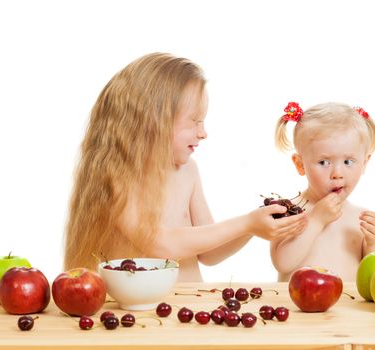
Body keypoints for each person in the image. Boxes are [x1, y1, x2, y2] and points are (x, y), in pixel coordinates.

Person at [64, 53, 307, 281]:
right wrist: (246, 223)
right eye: (194, 122)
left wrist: (255, 226)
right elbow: (160, 243)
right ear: (152, 121)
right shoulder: (116, 176)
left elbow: (210, 254)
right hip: (135, 320)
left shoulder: (188, 171)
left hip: (188, 311)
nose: (203, 133)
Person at [270, 102, 375, 282]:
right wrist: (316, 220)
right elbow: (283, 263)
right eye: (324, 162)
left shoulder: (360, 218)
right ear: (300, 164)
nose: (337, 174)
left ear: (364, 163)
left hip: (348, 308)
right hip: (298, 308)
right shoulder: (288, 211)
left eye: (348, 162)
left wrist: (374, 242)